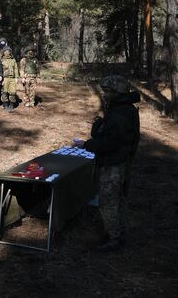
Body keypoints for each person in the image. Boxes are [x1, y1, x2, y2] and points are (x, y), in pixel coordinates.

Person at [76, 76, 140, 251]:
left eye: (108, 91)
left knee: (109, 201)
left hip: (114, 162)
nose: (104, 95)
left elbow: (110, 143)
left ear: (117, 92)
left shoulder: (119, 114)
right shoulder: (125, 109)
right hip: (122, 160)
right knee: (119, 198)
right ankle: (119, 231)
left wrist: (86, 145)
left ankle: (114, 238)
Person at [0, 46, 20, 112]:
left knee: (13, 92)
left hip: (12, 79)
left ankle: (11, 105)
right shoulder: (1, 60)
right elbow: (0, 70)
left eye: (8, 51)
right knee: (4, 92)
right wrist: (1, 78)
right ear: (3, 52)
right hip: (5, 78)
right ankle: (5, 104)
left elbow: (16, 69)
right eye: (6, 51)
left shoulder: (13, 60)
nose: (7, 52)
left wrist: (16, 77)